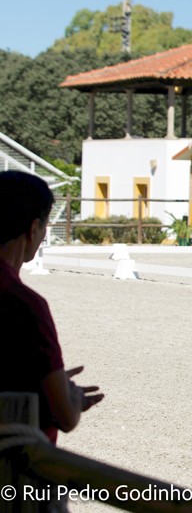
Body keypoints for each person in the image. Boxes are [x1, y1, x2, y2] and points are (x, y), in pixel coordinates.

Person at [0, 171, 104, 444]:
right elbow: (66, 417)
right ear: (33, 228)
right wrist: (72, 397)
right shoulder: (24, 304)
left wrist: (46, 381)